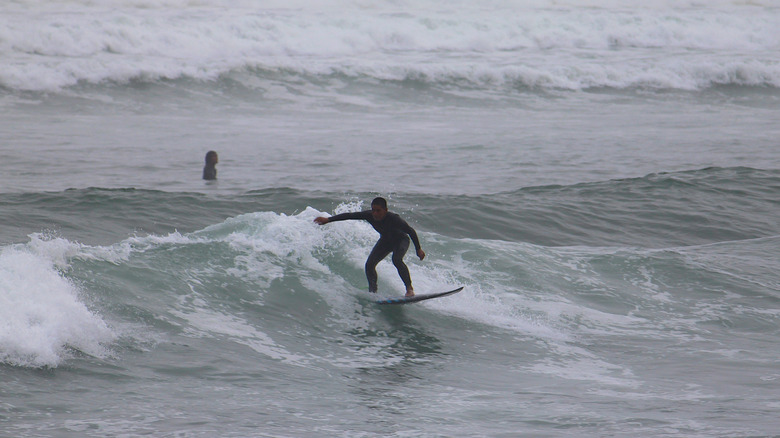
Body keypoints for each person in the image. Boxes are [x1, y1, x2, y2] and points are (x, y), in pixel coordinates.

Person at [314, 197, 426, 297]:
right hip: (386, 241)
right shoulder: (369, 215)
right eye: (373, 210)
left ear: (385, 210)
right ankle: (373, 292)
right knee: (369, 264)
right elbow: (350, 216)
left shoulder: (394, 219)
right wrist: (328, 220)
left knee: (396, 260)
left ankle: (409, 289)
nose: (375, 213)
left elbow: (411, 231)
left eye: (378, 211)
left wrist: (418, 249)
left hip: (401, 240)